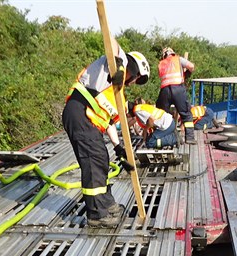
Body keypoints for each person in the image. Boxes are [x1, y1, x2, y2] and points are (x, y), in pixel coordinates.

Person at [62, 38, 150, 228]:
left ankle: (106, 204)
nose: (133, 83)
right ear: (136, 69)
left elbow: (109, 123)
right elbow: (111, 38)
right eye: (137, 79)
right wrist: (118, 66)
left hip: (88, 121)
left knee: (101, 158)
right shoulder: (114, 62)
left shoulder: (116, 93)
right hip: (79, 112)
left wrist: (119, 148)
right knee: (93, 161)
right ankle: (96, 214)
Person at [156, 47, 196, 144]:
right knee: (186, 114)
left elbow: (162, 76)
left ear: (164, 55)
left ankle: (163, 137)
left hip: (165, 90)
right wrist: (186, 74)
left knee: (162, 114)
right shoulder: (178, 59)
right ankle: (189, 138)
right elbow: (191, 66)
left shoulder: (161, 64)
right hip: (178, 89)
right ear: (172, 53)